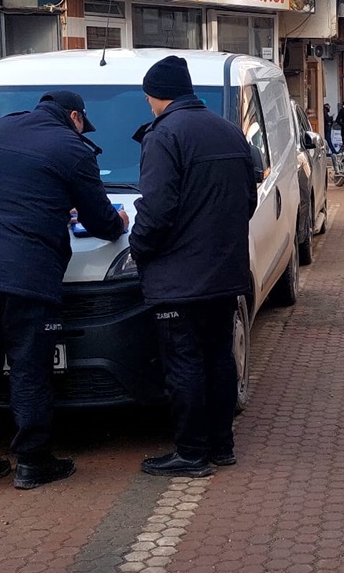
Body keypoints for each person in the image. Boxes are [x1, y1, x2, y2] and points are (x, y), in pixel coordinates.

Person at [0, 91, 129, 491]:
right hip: (28, 276)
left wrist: (51, 202)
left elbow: (12, 186)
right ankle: (32, 462)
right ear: (75, 117)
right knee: (30, 370)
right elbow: (99, 219)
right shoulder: (72, 147)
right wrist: (118, 221)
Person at [130, 56, 257, 478]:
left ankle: (190, 452)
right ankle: (222, 446)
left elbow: (157, 209)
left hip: (179, 279)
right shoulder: (228, 131)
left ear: (157, 94)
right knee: (219, 356)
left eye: (148, 95)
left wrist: (138, 247)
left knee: (183, 363)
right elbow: (248, 198)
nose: (148, 103)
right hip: (225, 272)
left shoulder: (164, 135)